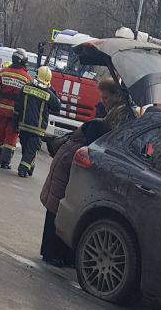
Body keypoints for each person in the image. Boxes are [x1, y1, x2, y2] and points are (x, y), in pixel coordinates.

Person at [38, 77, 130, 265]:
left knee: (62, 207)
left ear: (116, 97)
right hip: (67, 163)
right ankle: (50, 253)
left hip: (68, 161)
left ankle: (59, 254)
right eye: (102, 97)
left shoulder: (113, 116)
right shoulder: (103, 120)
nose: (102, 101)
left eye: (105, 98)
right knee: (57, 207)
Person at [0, 49, 34, 169]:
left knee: (0, 134)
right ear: (23, 61)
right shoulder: (27, 78)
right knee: (11, 136)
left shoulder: (3, 72)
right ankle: (5, 162)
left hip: (1, 110)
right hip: (16, 113)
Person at [14, 65, 60, 177]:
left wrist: (15, 122)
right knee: (30, 150)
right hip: (38, 129)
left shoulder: (25, 87)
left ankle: (28, 166)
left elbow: (17, 106)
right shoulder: (49, 94)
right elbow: (57, 107)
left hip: (24, 125)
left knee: (26, 148)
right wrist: (52, 90)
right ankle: (23, 169)